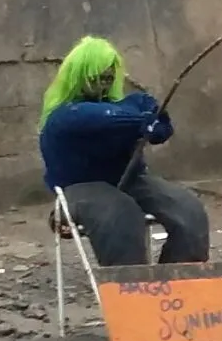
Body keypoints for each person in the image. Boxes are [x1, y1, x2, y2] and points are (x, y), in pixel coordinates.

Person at [38, 36, 210, 266]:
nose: (103, 84)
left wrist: (157, 123)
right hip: (80, 189)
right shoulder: (62, 116)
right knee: (120, 214)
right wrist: (141, 121)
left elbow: (158, 125)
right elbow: (92, 118)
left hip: (131, 180)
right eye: (96, 77)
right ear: (79, 75)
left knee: (188, 210)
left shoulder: (126, 106)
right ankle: (130, 290)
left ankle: (176, 285)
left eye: (109, 77)